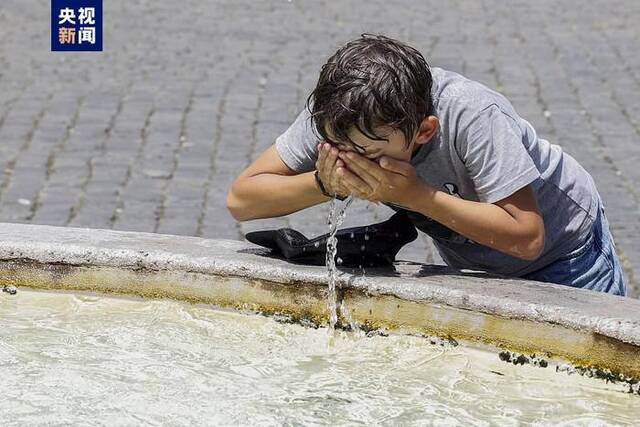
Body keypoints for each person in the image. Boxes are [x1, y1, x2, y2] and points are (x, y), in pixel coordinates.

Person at [226, 33, 627, 296]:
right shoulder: (342, 114)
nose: (350, 158)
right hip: (475, 258)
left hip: (566, 254)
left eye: (367, 152)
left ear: (423, 131)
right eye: (337, 144)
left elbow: (527, 237)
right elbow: (242, 201)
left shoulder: (473, 115)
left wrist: (416, 196)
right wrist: (324, 183)